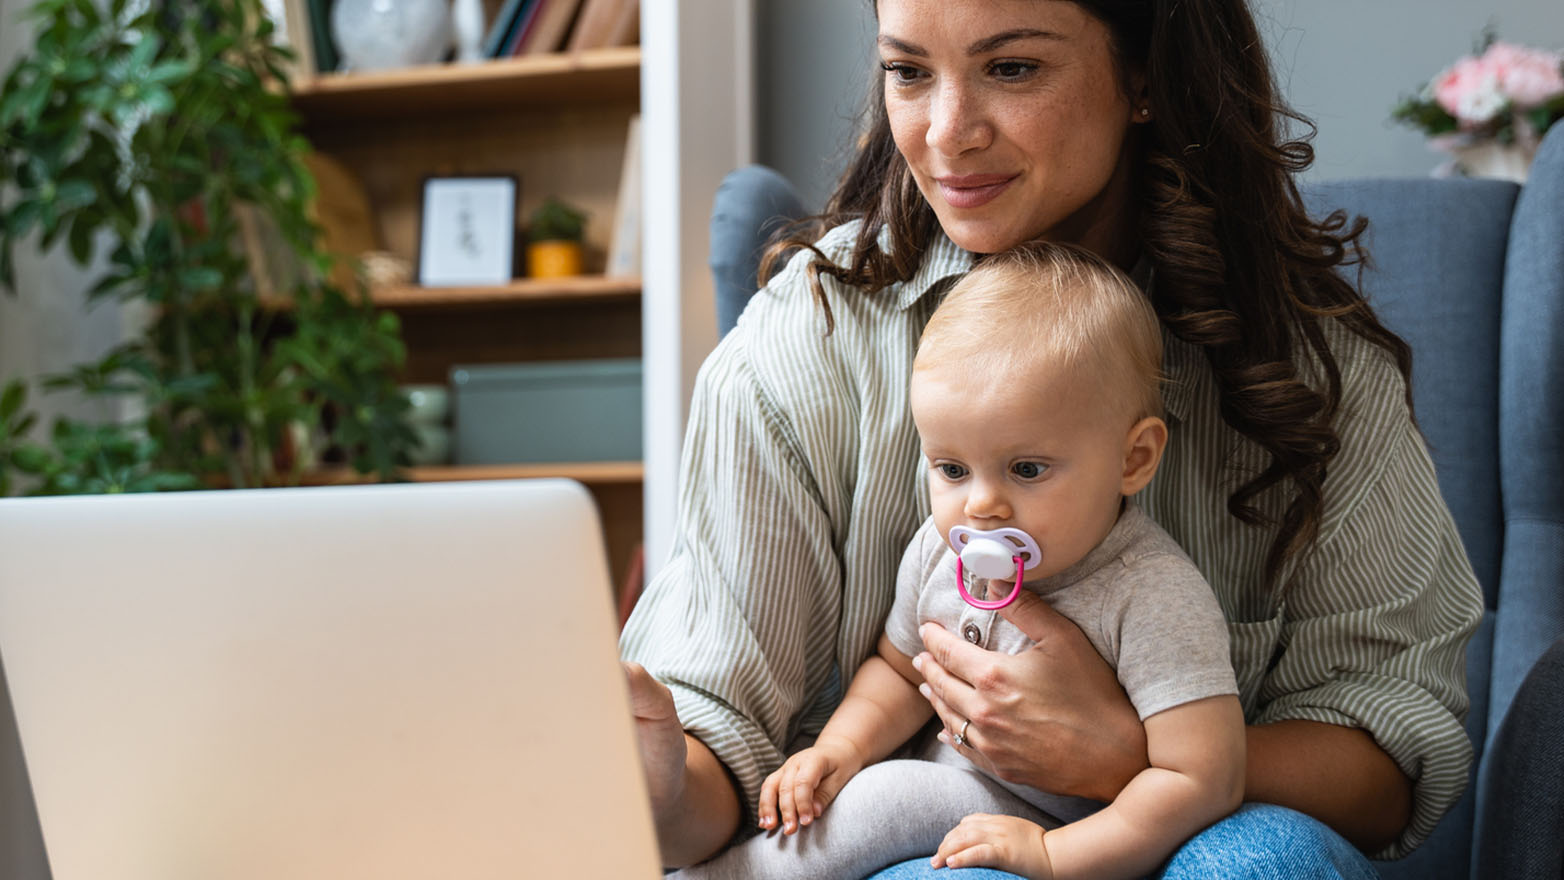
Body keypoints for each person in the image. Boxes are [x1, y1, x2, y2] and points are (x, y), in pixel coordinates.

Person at [620, 0, 1485, 877]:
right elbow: (721, 756)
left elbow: (1391, 766)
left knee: (1271, 857)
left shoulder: (1309, 365)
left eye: (1013, 68)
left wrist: (1127, 753)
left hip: (1198, 840)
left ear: (1145, 75)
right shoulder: (798, 342)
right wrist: (653, 787)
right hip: (922, 844)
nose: (948, 134)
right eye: (909, 72)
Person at [681, 242, 1245, 880]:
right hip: (955, 785)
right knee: (860, 791)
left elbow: (1202, 778)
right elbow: (900, 671)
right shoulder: (937, 548)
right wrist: (840, 746)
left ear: (1134, 459)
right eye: (951, 469)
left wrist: (1054, 855)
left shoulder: (1152, 593)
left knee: (883, 801)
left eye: (1027, 469)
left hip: (1069, 826)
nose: (981, 506)